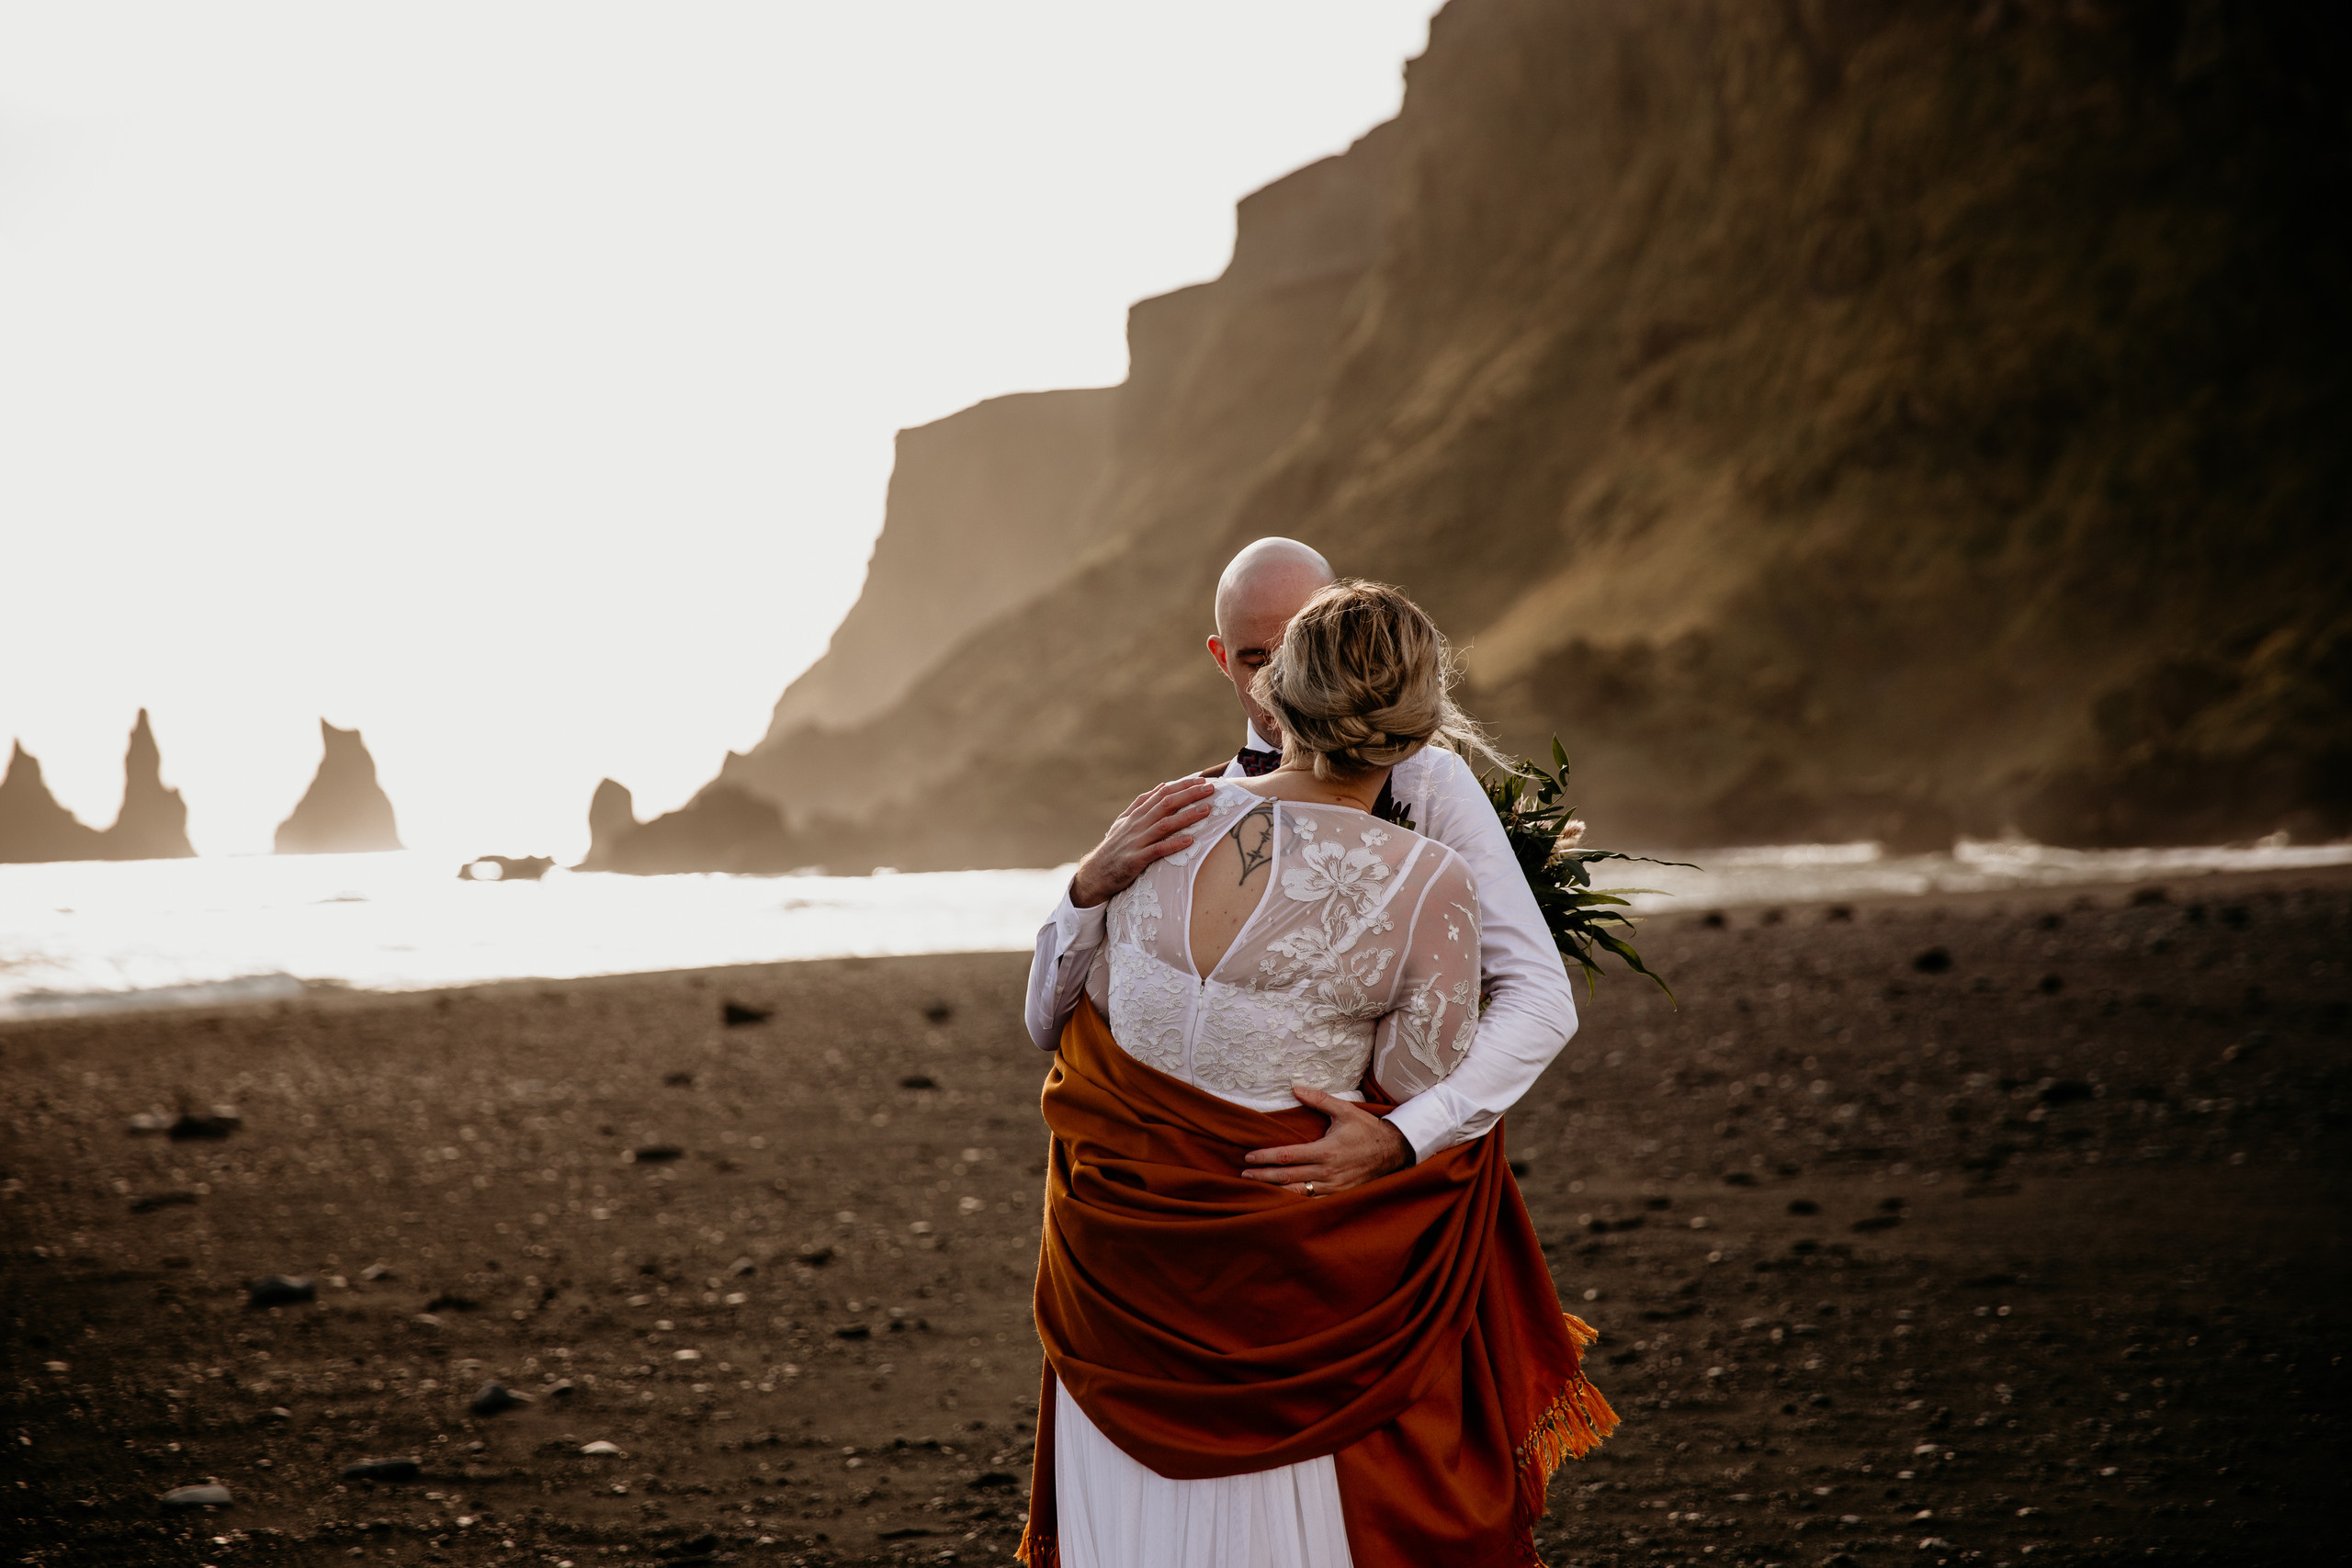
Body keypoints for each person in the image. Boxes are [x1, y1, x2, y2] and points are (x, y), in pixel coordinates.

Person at [1019, 580, 1616, 1568]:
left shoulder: (1160, 822)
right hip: (1288, 1296)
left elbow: (1065, 1021)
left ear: (1277, 692)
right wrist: (1402, 1109)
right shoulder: (1425, 881)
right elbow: (1407, 1079)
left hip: (1116, 1283)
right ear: (1420, 716)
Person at [1026, 537, 1583, 1182]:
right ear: (1222, 658)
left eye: (1294, 649)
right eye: (1254, 658)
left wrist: (1406, 1135)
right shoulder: (1184, 806)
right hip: (1161, 1168)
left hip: (1343, 1171)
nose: (1275, 681)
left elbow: (1536, 993)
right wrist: (1085, 889)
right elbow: (1053, 1022)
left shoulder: (1430, 781)